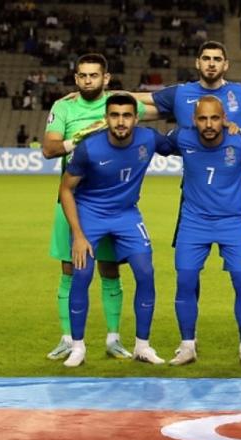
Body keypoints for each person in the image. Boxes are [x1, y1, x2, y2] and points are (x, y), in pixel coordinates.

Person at [42, 53, 148, 362]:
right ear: (76, 78)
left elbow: (164, 105)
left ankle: (113, 338)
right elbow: (49, 148)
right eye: (82, 76)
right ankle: (67, 338)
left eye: (94, 75)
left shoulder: (118, 106)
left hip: (111, 203)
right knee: (70, 268)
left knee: (110, 269)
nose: (88, 80)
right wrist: (81, 137)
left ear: (106, 78)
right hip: (73, 200)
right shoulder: (64, 107)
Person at [58, 93, 172, 367]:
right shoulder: (89, 148)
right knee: (82, 274)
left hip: (126, 214)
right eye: (115, 115)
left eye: (127, 115)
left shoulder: (149, 139)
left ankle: (142, 346)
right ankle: (78, 347)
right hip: (90, 213)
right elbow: (66, 189)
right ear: (106, 118)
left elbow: (189, 143)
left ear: (136, 118)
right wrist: (78, 235)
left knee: (145, 272)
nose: (121, 121)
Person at [164, 96, 241, 366]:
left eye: (215, 118)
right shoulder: (182, 138)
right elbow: (148, 144)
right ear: (194, 120)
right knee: (185, 281)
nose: (209, 124)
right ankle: (187, 345)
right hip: (194, 222)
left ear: (225, 119)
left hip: (234, 222)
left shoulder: (240, 142)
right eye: (203, 118)